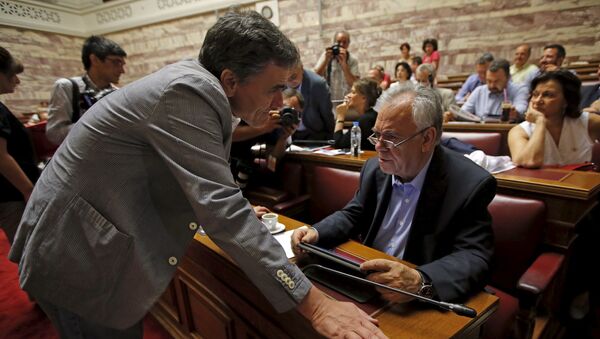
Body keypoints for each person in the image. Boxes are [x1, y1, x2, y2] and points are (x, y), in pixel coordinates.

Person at [9, 12, 385, 339]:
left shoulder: (196, 84)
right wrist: (315, 305)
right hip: (79, 257)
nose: (278, 103)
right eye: (274, 88)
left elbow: (200, 185)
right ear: (231, 80)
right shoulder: (190, 92)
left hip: (86, 242)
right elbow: (221, 209)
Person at [292, 85, 496, 304]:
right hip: (366, 278)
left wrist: (420, 280)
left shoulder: (468, 184)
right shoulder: (374, 169)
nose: (378, 147)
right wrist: (316, 231)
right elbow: (354, 214)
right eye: (376, 135)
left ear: (427, 138)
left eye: (390, 138)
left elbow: (474, 256)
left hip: (413, 297)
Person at [508, 70, 600, 168]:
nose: (538, 101)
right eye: (535, 94)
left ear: (566, 100)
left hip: (581, 182)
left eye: (548, 95)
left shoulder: (589, 122)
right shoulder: (519, 131)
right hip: (540, 183)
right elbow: (530, 161)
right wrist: (540, 122)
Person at [46, 35, 127, 145]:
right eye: (116, 62)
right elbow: (54, 134)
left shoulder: (117, 93)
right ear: (94, 59)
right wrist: (97, 122)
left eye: (122, 64)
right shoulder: (67, 87)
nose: (122, 70)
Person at [0, 47, 39, 246]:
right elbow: (1, 157)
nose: (17, 80)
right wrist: (28, 189)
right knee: (29, 249)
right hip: (12, 195)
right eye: (13, 75)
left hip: (9, 194)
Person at [459, 59, 528, 122]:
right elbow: (463, 113)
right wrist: (454, 115)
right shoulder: (479, 91)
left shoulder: (519, 90)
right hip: (480, 131)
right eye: (489, 81)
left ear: (508, 78)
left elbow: (521, 109)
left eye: (497, 81)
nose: (492, 85)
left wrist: (516, 113)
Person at [287, 63, 334, 140]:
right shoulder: (279, 81)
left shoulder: (318, 85)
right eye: (286, 77)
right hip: (289, 136)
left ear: (301, 68)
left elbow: (327, 116)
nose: (289, 80)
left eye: (293, 76)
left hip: (314, 135)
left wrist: (331, 140)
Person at [333, 78, 381, 151]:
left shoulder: (366, 120)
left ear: (364, 98)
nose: (348, 95)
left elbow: (338, 144)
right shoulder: (370, 115)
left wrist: (340, 116)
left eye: (353, 92)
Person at [314, 31, 360, 103]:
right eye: (338, 42)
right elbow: (315, 77)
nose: (341, 44)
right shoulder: (326, 55)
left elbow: (355, 84)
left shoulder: (352, 60)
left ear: (348, 44)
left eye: (344, 42)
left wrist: (344, 64)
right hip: (328, 102)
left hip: (347, 102)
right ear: (334, 42)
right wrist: (326, 61)